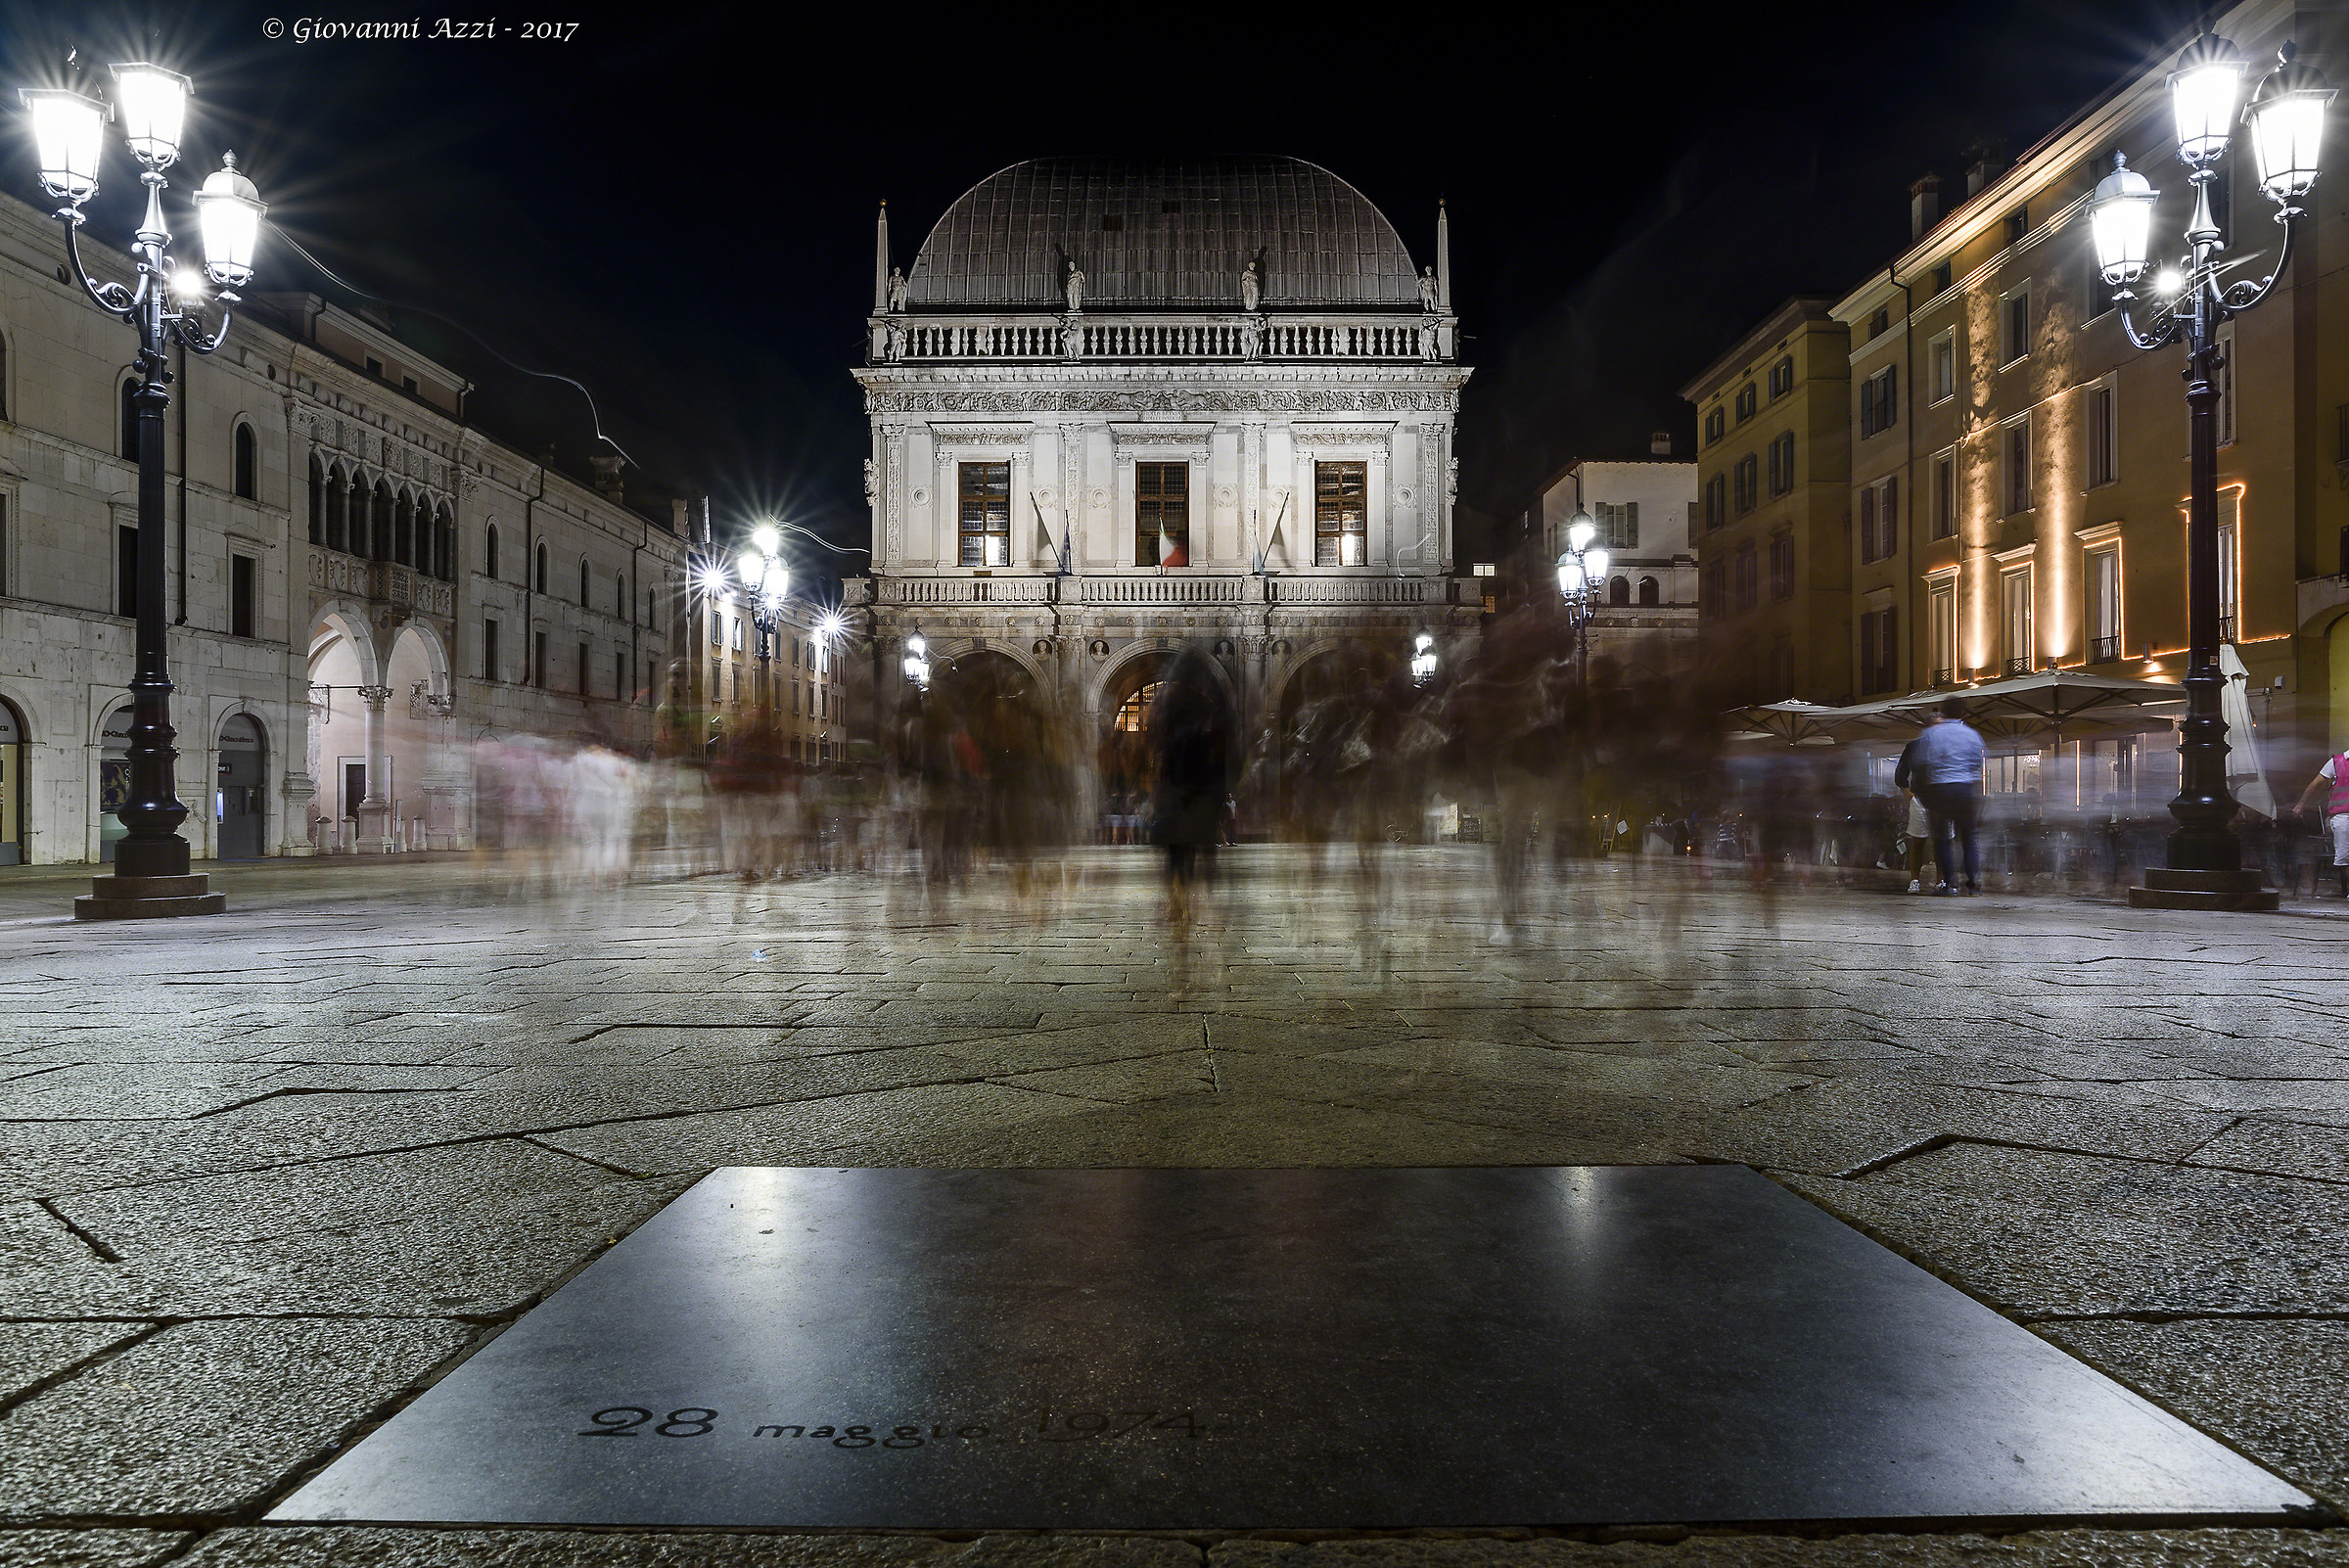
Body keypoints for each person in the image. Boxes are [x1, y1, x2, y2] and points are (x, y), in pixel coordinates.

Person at [1892, 696, 1987, 895]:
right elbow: (1977, 764)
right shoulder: (1971, 734)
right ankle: (1973, 884)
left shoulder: (1932, 735)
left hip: (1941, 790)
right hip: (1965, 789)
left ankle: (1949, 884)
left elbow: (1921, 763)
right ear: (1962, 713)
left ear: (1944, 713)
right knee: (1969, 838)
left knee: (1942, 838)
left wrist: (1925, 793)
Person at [2291, 746, 2349, 898]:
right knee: (2345, 855)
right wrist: (2300, 805)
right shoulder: (2337, 762)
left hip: (2342, 816)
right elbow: (2315, 784)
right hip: (2342, 815)